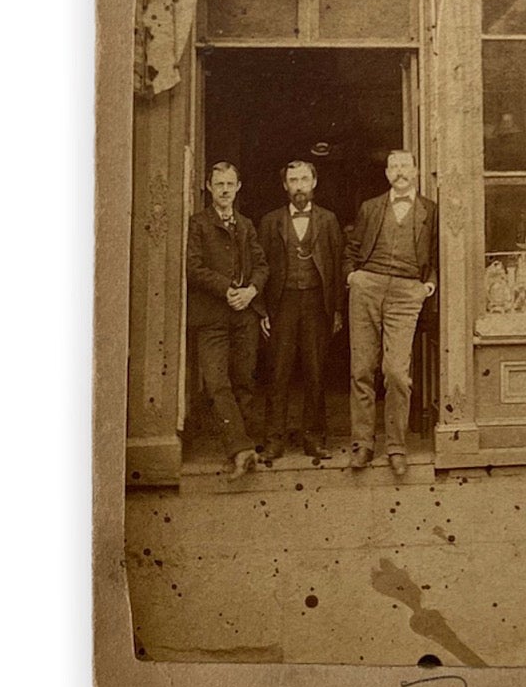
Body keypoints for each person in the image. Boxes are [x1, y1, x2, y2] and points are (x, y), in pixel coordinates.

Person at [345, 150, 438, 477]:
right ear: (386, 173)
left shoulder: (430, 211)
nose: (399, 172)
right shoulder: (371, 208)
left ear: (415, 171)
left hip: (406, 292)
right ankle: (363, 444)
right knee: (362, 369)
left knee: (397, 371)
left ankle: (396, 447)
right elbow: (352, 249)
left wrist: (427, 285)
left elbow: (440, 255)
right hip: (367, 287)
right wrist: (352, 276)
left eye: (405, 166)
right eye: (393, 166)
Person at [257, 160, 344, 463]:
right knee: (277, 373)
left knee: (315, 372)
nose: (298, 186)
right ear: (285, 186)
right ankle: (274, 441)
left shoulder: (328, 220)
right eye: (292, 180)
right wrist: (262, 310)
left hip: (317, 304)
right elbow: (261, 267)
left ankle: (314, 439)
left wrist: (336, 311)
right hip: (282, 304)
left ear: (314, 183)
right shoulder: (270, 222)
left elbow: (335, 265)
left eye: (304, 179)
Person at [185, 162, 268, 475]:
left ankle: (244, 449)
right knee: (217, 382)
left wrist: (251, 291)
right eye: (218, 184)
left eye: (230, 184)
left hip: (244, 315)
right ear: (208, 187)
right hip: (212, 318)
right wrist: (228, 289)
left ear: (238, 187)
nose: (224, 190)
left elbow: (262, 265)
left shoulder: (245, 225)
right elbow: (194, 268)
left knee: (245, 380)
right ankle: (239, 448)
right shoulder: (199, 224)